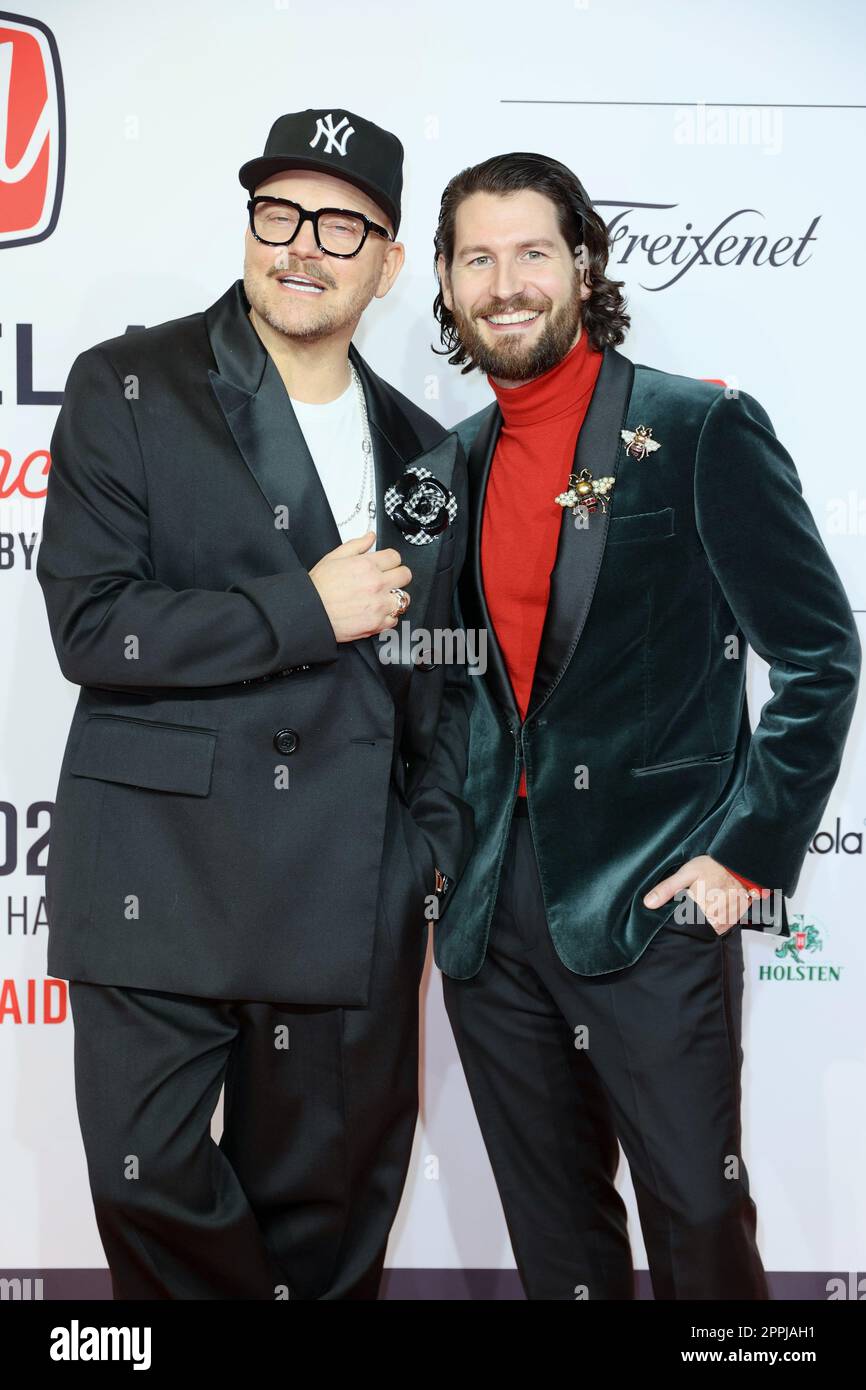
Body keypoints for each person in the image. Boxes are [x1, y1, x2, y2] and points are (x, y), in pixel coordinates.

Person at [37, 108, 473, 1300]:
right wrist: (302, 608)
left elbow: (440, 674)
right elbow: (92, 624)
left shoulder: (426, 451)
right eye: (278, 213)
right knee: (147, 1179)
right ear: (248, 228)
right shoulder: (131, 383)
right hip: (157, 869)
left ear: (387, 263)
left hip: (346, 889)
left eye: (342, 224)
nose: (302, 245)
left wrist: (418, 857)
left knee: (326, 1224)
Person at [431, 151, 860, 1299]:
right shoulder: (448, 467)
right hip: (488, 918)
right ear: (445, 280)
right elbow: (449, 694)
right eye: (478, 257)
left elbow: (820, 652)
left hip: (652, 892)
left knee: (697, 1218)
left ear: (580, 264)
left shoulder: (697, 428)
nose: (505, 281)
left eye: (531, 252)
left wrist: (742, 854)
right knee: (555, 1240)